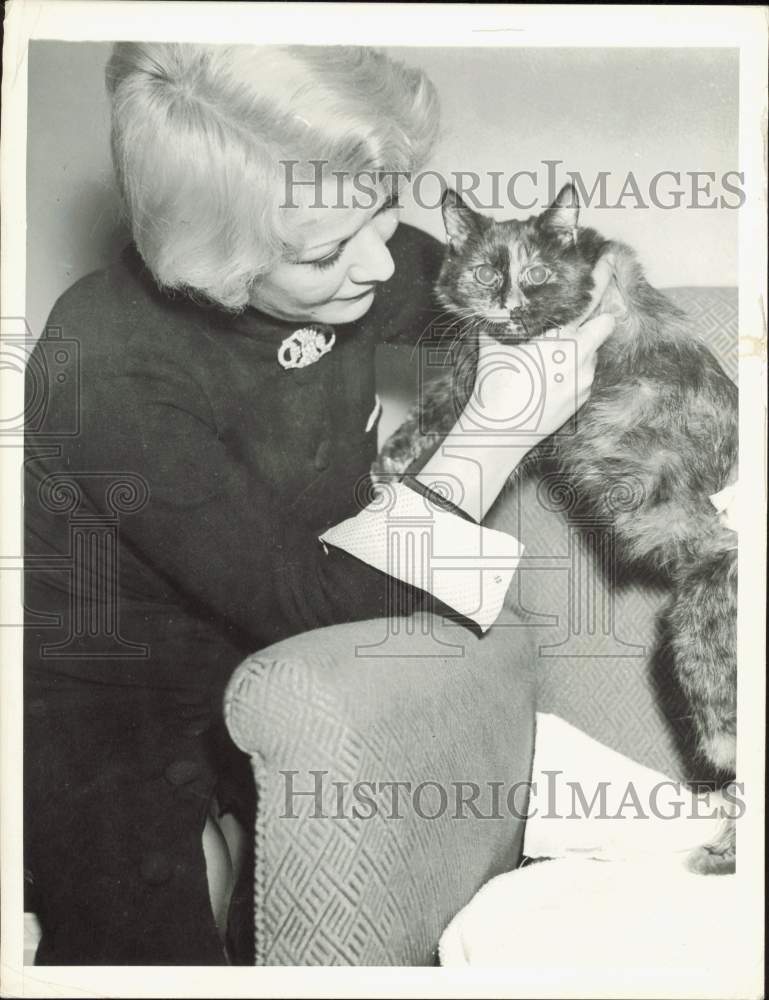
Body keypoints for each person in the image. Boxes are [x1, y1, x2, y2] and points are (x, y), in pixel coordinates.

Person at [23, 42, 614, 965]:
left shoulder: (374, 259)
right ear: (216, 262)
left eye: (385, 211)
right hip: (106, 693)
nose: (386, 263)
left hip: (291, 646)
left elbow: (545, 302)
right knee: (139, 955)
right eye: (330, 251)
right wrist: (492, 438)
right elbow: (308, 597)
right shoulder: (100, 359)